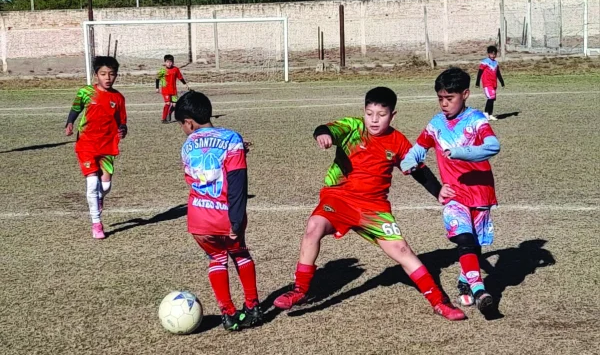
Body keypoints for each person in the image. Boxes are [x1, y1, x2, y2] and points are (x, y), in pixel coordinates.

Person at [273, 86, 466, 321]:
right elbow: (327, 129)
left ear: (393, 115)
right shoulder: (354, 127)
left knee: (403, 251)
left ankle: (439, 302)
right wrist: (322, 135)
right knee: (314, 226)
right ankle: (300, 291)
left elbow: (418, 170)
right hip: (339, 198)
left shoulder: (397, 141)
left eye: (381, 115)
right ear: (363, 112)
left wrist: (438, 192)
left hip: (374, 208)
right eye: (369, 113)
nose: (374, 120)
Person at [401, 67, 500, 315]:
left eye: (450, 98)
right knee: (463, 239)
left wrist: (460, 152)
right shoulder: (435, 124)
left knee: (474, 245)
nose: (444, 104)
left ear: (465, 94)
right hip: (453, 194)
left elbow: (493, 146)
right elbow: (418, 148)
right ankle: (479, 290)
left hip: (480, 192)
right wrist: (407, 161)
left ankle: (465, 281)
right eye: (440, 98)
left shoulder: (477, 120)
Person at [175, 90, 263, 331]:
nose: (183, 129)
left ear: (189, 122)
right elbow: (236, 182)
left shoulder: (186, 146)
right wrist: (235, 221)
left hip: (199, 219)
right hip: (225, 215)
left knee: (216, 258)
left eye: (181, 124)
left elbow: (205, 165)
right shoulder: (232, 138)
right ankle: (253, 307)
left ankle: (229, 314)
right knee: (240, 254)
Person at [65, 56, 127, 239]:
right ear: (96, 75)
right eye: (103, 74)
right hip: (86, 144)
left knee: (105, 186)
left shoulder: (118, 98)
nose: (107, 78)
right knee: (92, 183)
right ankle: (96, 223)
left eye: (111, 74)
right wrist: (69, 122)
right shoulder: (86, 92)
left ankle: (99, 198)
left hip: (107, 146)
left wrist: (123, 129)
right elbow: (76, 108)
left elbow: (122, 122)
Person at [475, 45, 505, 121]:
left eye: (494, 54)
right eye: (491, 54)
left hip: (493, 83)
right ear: (488, 54)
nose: (493, 55)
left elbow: (498, 73)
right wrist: (477, 82)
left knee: (492, 99)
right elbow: (480, 72)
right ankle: (485, 114)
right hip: (487, 83)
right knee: (491, 97)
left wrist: (502, 82)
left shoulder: (496, 63)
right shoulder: (485, 62)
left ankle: (490, 114)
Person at [156, 54, 188, 123]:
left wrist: (185, 84)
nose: (169, 63)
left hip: (173, 90)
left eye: (170, 62)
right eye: (167, 62)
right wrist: (157, 88)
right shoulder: (163, 70)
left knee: (174, 104)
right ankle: (163, 119)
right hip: (165, 90)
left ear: (173, 62)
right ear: (165, 62)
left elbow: (180, 77)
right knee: (168, 103)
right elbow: (157, 79)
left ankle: (169, 113)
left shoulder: (175, 69)